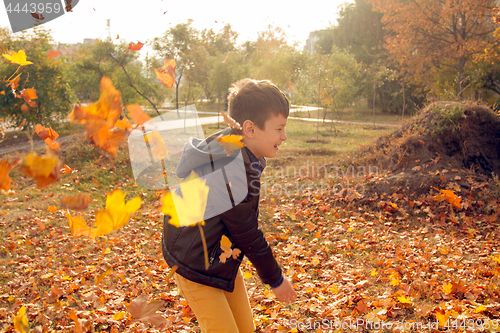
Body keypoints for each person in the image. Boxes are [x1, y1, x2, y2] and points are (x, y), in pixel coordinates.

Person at [161, 78, 297, 333]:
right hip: (193, 261)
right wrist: (276, 280)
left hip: (218, 254)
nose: (284, 136)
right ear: (250, 128)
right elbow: (247, 233)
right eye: (279, 129)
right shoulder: (231, 169)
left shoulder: (239, 149)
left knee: (245, 328)